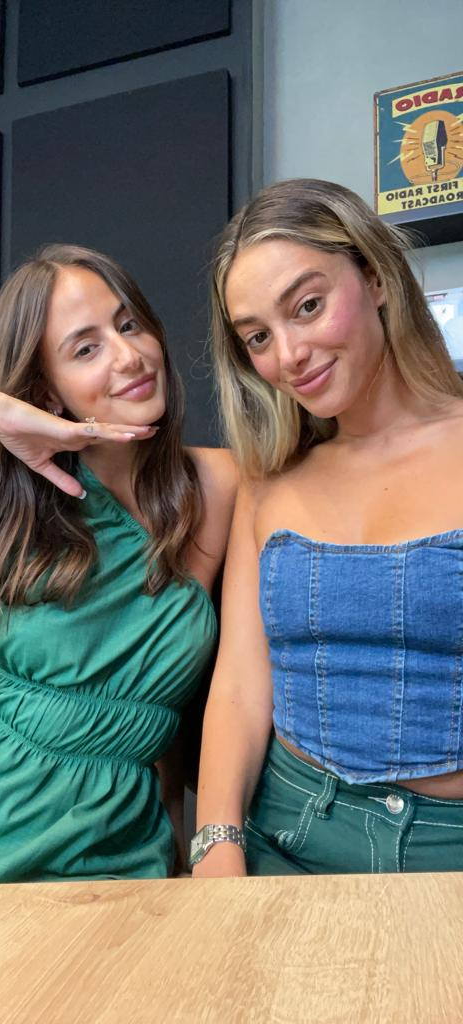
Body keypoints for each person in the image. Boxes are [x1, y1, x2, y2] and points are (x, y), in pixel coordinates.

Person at [0, 244, 236, 886]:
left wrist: (180, 847)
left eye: (129, 324)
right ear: (46, 391)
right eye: (86, 348)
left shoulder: (220, 486)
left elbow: (173, 711)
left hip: (107, 848)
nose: (128, 356)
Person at [192, 178, 463, 877]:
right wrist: (216, 844)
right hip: (287, 834)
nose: (288, 355)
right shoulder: (270, 477)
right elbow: (242, 684)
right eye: (258, 337)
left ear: (375, 278)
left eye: (307, 306)